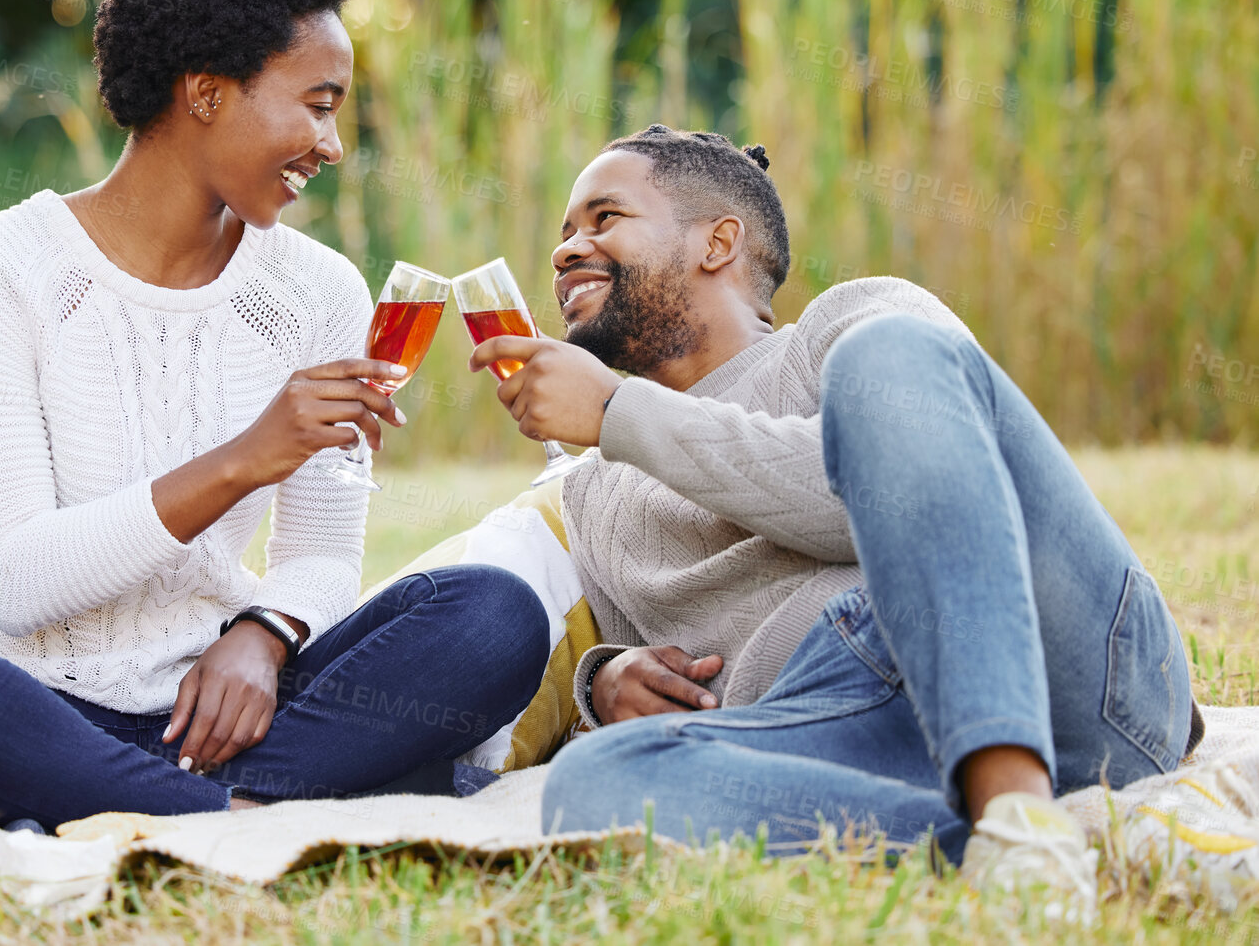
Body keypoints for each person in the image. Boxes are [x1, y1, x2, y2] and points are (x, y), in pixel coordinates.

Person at [0, 0, 548, 833]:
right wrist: (247, 457)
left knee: (491, 613)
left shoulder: (316, 289)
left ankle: (177, 807)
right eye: (319, 104)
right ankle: (241, 816)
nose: (332, 146)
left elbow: (322, 553)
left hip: (236, 712)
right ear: (206, 92)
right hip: (37, 707)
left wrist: (264, 632)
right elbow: (12, 579)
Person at [469, 124, 1220, 917]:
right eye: (563, 232)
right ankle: (1081, 847)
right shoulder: (595, 491)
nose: (566, 249)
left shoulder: (852, 325)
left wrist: (621, 410)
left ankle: (1016, 802)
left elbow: (907, 509)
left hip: (1056, 669)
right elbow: (678, 664)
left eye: (604, 217)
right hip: (856, 729)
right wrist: (610, 679)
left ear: (718, 241)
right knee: (600, 784)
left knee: (890, 357)